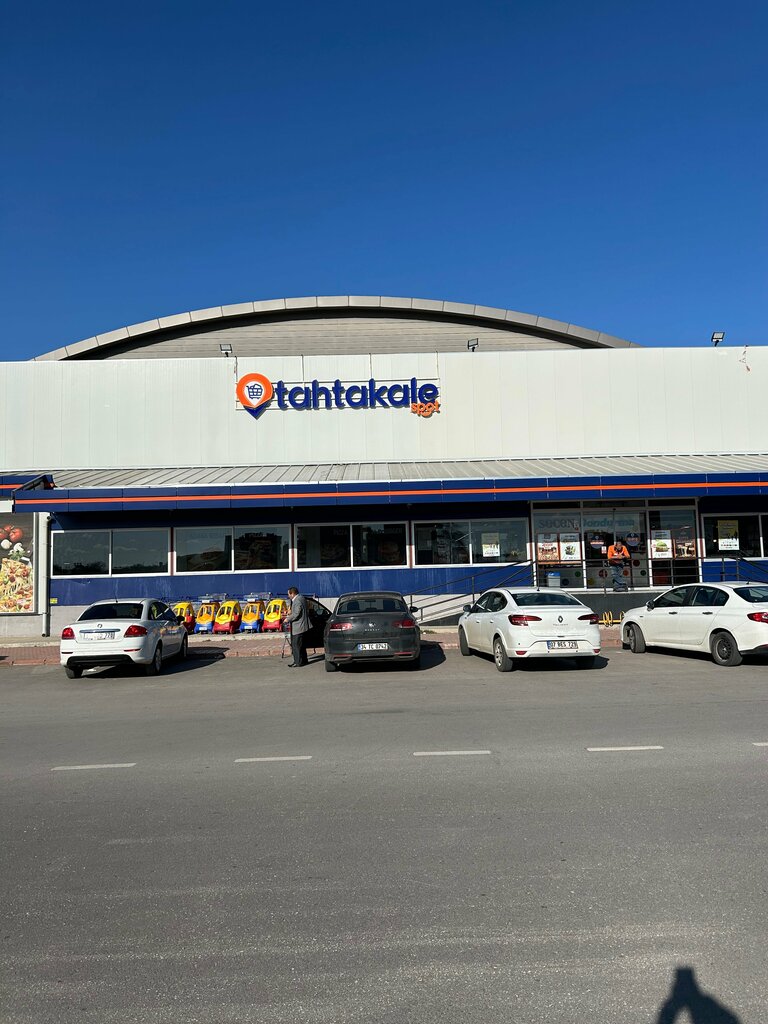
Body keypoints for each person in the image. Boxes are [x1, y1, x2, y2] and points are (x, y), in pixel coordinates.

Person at [284, 586, 310, 667]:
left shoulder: (297, 600)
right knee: (301, 645)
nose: (288, 596)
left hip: (298, 626)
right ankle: (304, 660)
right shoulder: (302, 598)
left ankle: (297, 662)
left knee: (295, 645)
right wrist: (290, 612)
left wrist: (287, 619)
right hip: (302, 626)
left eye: (289, 594)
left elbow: (296, 614)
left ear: (292, 594)